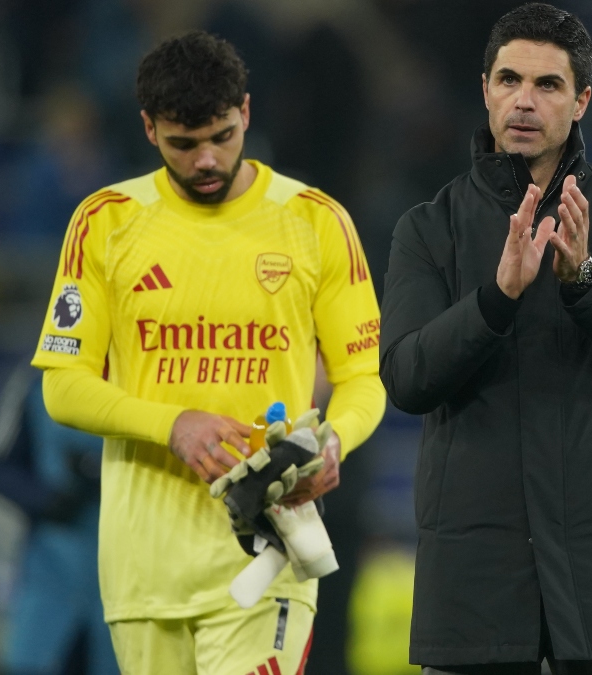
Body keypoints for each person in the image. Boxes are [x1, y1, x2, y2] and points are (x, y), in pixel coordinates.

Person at [29, 31, 386, 675]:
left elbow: (363, 376)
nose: (206, 160)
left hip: (267, 559)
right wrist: (174, 424)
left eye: (222, 136)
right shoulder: (105, 222)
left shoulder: (315, 221)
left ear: (245, 112)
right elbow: (63, 385)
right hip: (144, 570)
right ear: (149, 128)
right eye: (183, 144)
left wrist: (334, 442)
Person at [379, 4, 592, 674]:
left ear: (581, 102)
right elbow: (406, 377)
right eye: (509, 80)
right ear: (485, 89)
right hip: (476, 588)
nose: (524, 100)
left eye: (548, 84)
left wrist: (586, 279)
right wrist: (495, 299)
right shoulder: (426, 229)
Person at [0, 368, 119, 675]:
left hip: (122, 569)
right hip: (52, 566)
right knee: (33, 658)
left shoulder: (144, 378)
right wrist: (46, 500)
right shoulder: (35, 382)